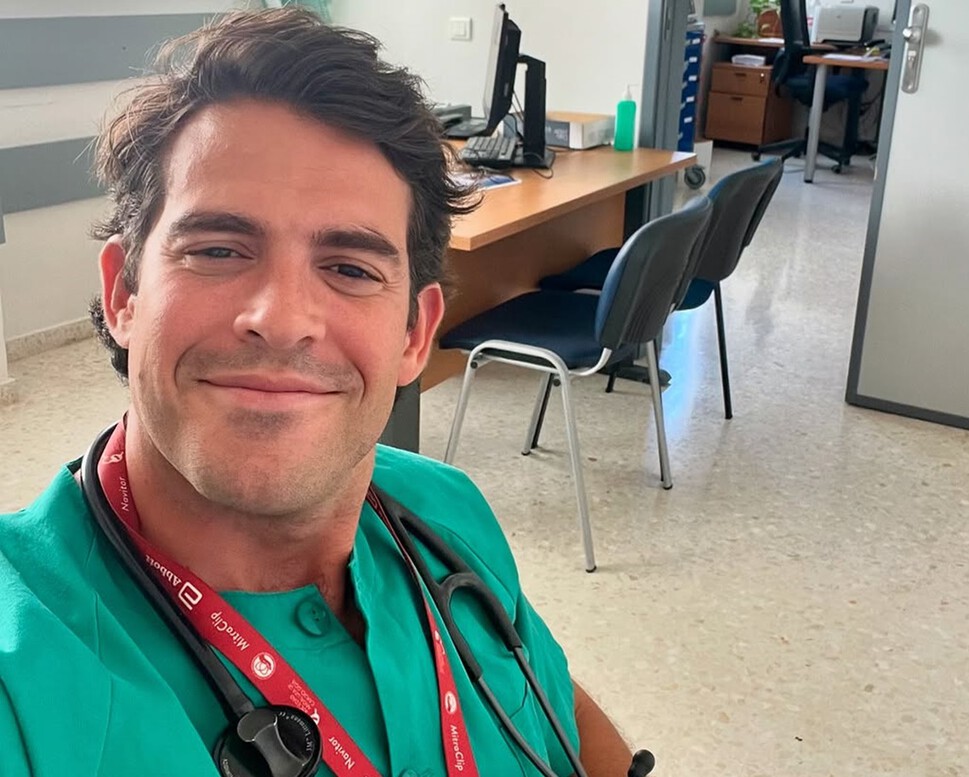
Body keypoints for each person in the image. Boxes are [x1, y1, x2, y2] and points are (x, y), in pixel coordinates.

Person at [0, 9, 643, 777]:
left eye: (349, 268)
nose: (280, 319)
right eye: (217, 249)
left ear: (414, 333)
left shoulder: (445, 510)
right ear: (123, 294)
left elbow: (552, 704)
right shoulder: (21, 661)